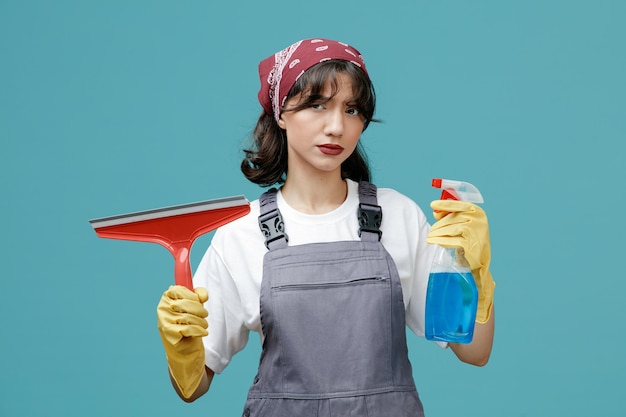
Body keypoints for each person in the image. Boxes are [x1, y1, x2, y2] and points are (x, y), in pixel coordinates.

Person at [156, 38, 496, 416]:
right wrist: (183, 352)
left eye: (351, 110)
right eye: (317, 105)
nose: (336, 126)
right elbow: (192, 388)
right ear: (281, 113)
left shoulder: (399, 215)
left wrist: (475, 274)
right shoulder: (241, 232)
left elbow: (475, 352)